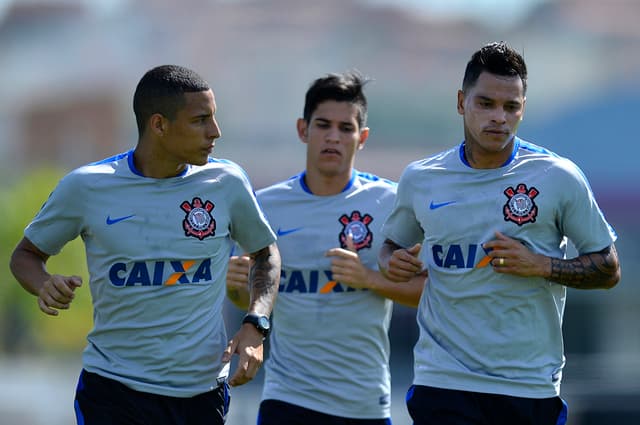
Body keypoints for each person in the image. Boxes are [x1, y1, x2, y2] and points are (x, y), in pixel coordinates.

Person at [9, 64, 281, 425]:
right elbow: (25, 255)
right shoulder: (87, 187)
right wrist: (44, 283)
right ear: (159, 125)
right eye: (200, 120)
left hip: (200, 394)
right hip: (115, 391)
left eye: (213, 118)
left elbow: (266, 252)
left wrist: (255, 323)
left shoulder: (226, 183)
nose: (215, 131)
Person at [378, 41, 621, 425]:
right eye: (486, 104)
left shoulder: (557, 177)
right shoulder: (422, 179)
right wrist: (393, 261)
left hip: (527, 386)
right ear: (461, 102)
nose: (499, 118)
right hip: (443, 381)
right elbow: (391, 245)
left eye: (511, 107)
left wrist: (542, 265)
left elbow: (608, 268)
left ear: (523, 108)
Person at [225, 71, 426, 424]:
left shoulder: (390, 203)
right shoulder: (267, 206)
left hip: (364, 403)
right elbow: (252, 301)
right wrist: (235, 287)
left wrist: (369, 279)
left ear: (361, 138)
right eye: (323, 125)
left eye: (346, 128)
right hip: (286, 399)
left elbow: (428, 293)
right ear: (303, 129)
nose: (333, 137)